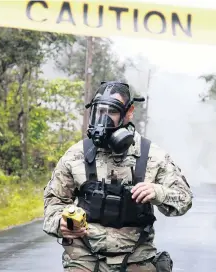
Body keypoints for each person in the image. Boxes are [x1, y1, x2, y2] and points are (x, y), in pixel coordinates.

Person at [42, 81, 193, 272]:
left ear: (129, 113)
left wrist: (158, 192)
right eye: (98, 112)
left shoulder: (152, 156)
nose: (102, 120)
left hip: (136, 257)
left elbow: (184, 199)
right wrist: (60, 223)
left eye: (111, 112)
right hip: (84, 259)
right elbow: (53, 202)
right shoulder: (75, 155)